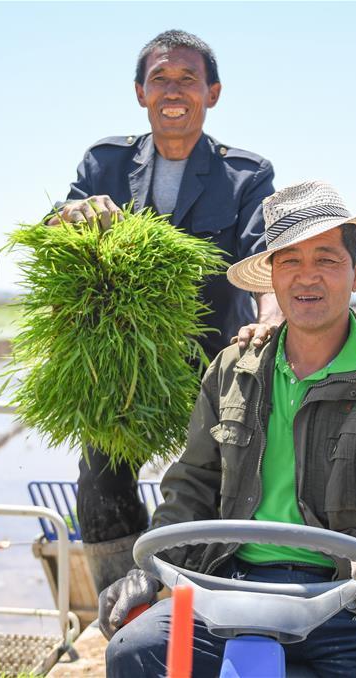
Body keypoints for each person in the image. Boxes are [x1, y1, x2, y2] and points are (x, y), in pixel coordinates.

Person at [101, 181, 356, 677]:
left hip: (350, 596)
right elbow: (192, 484)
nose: (306, 276)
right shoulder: (232, 369)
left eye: (327, 260)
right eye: (289, 261)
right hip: (230, 588)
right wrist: (148, 567)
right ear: (271, 278)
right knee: (134, 652)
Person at [45, 29, 283, 592]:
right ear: (139, 92)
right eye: (160, 79)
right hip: (120, 359)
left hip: (214, 359)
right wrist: (73, 215)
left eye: (187, 79)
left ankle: (198, 600)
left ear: (213, 92)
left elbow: (264, 259)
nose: (173, 90)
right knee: (100, 478)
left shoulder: (247, 174)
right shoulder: (106, 163)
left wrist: (271, 312)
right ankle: (120, 599)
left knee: (219, 478)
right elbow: (52, 225)